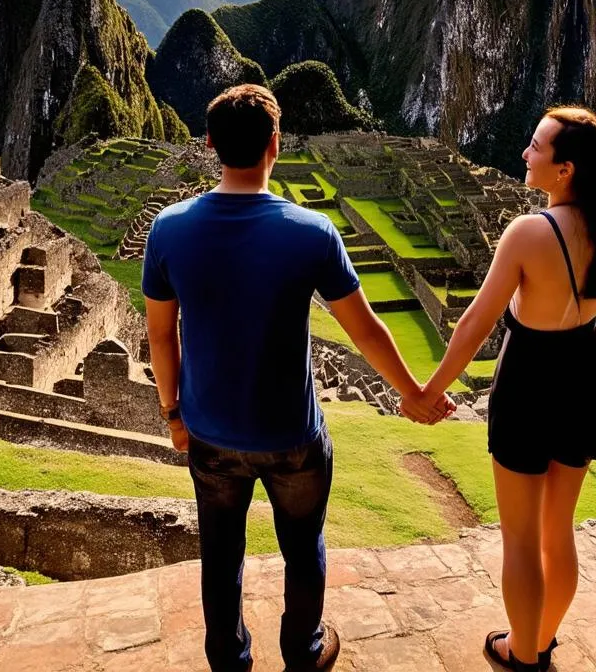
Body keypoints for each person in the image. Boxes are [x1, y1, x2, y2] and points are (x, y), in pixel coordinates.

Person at [141, 84, 452, 672]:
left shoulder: (170, 229)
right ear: (275, 146)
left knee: (221, 553)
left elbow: (161, 335)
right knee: (303, 547)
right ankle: (303, 651)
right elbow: (365, 331)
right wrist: (412, 394)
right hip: (293, 437)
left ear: (210, 145)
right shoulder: (311, 232)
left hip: (209, 433)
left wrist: (173, 416)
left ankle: (229, 658)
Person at [405, 106, 596, 671]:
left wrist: (429, 391)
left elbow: (474, 324)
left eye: (536, 146)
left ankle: (523, 650)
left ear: (564, 169)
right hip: (587, 377)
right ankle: (542, 638)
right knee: (557, 528)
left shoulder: (528, 233)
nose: (525, 154)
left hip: (528, 380)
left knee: (519, 537)